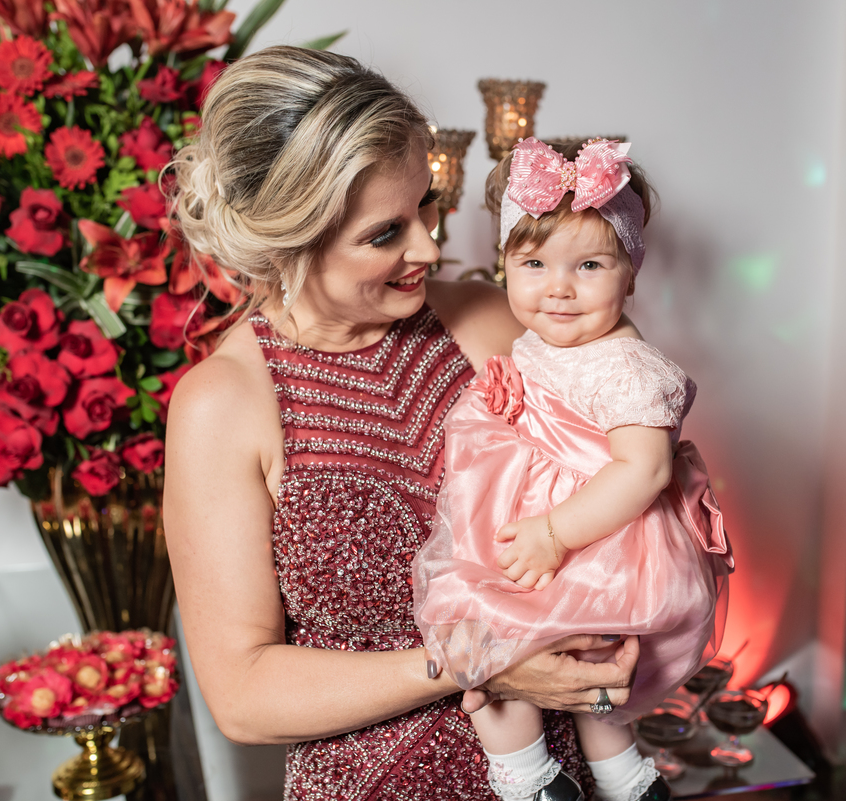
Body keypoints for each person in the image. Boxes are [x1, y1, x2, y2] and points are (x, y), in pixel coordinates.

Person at [162, 47, 642, 800]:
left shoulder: (491, 321)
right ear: (290, 240)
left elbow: (626, 492)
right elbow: (243, 695)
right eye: (385, 232)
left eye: (427, 204)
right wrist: (476, 660)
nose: (429, 246)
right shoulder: (222, 405)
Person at [413, 138, 734, 801]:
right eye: (533, 263)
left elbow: (644, 471)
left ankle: (528, 777)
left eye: (588, 265)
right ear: (504, 266)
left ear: (630, 274)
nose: (558, 288)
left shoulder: (627, 367)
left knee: (502, 632)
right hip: (551, 528)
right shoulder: (548, 339)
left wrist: (555, 533)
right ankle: (624, 779)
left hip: (597, 543)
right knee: (567, 665)